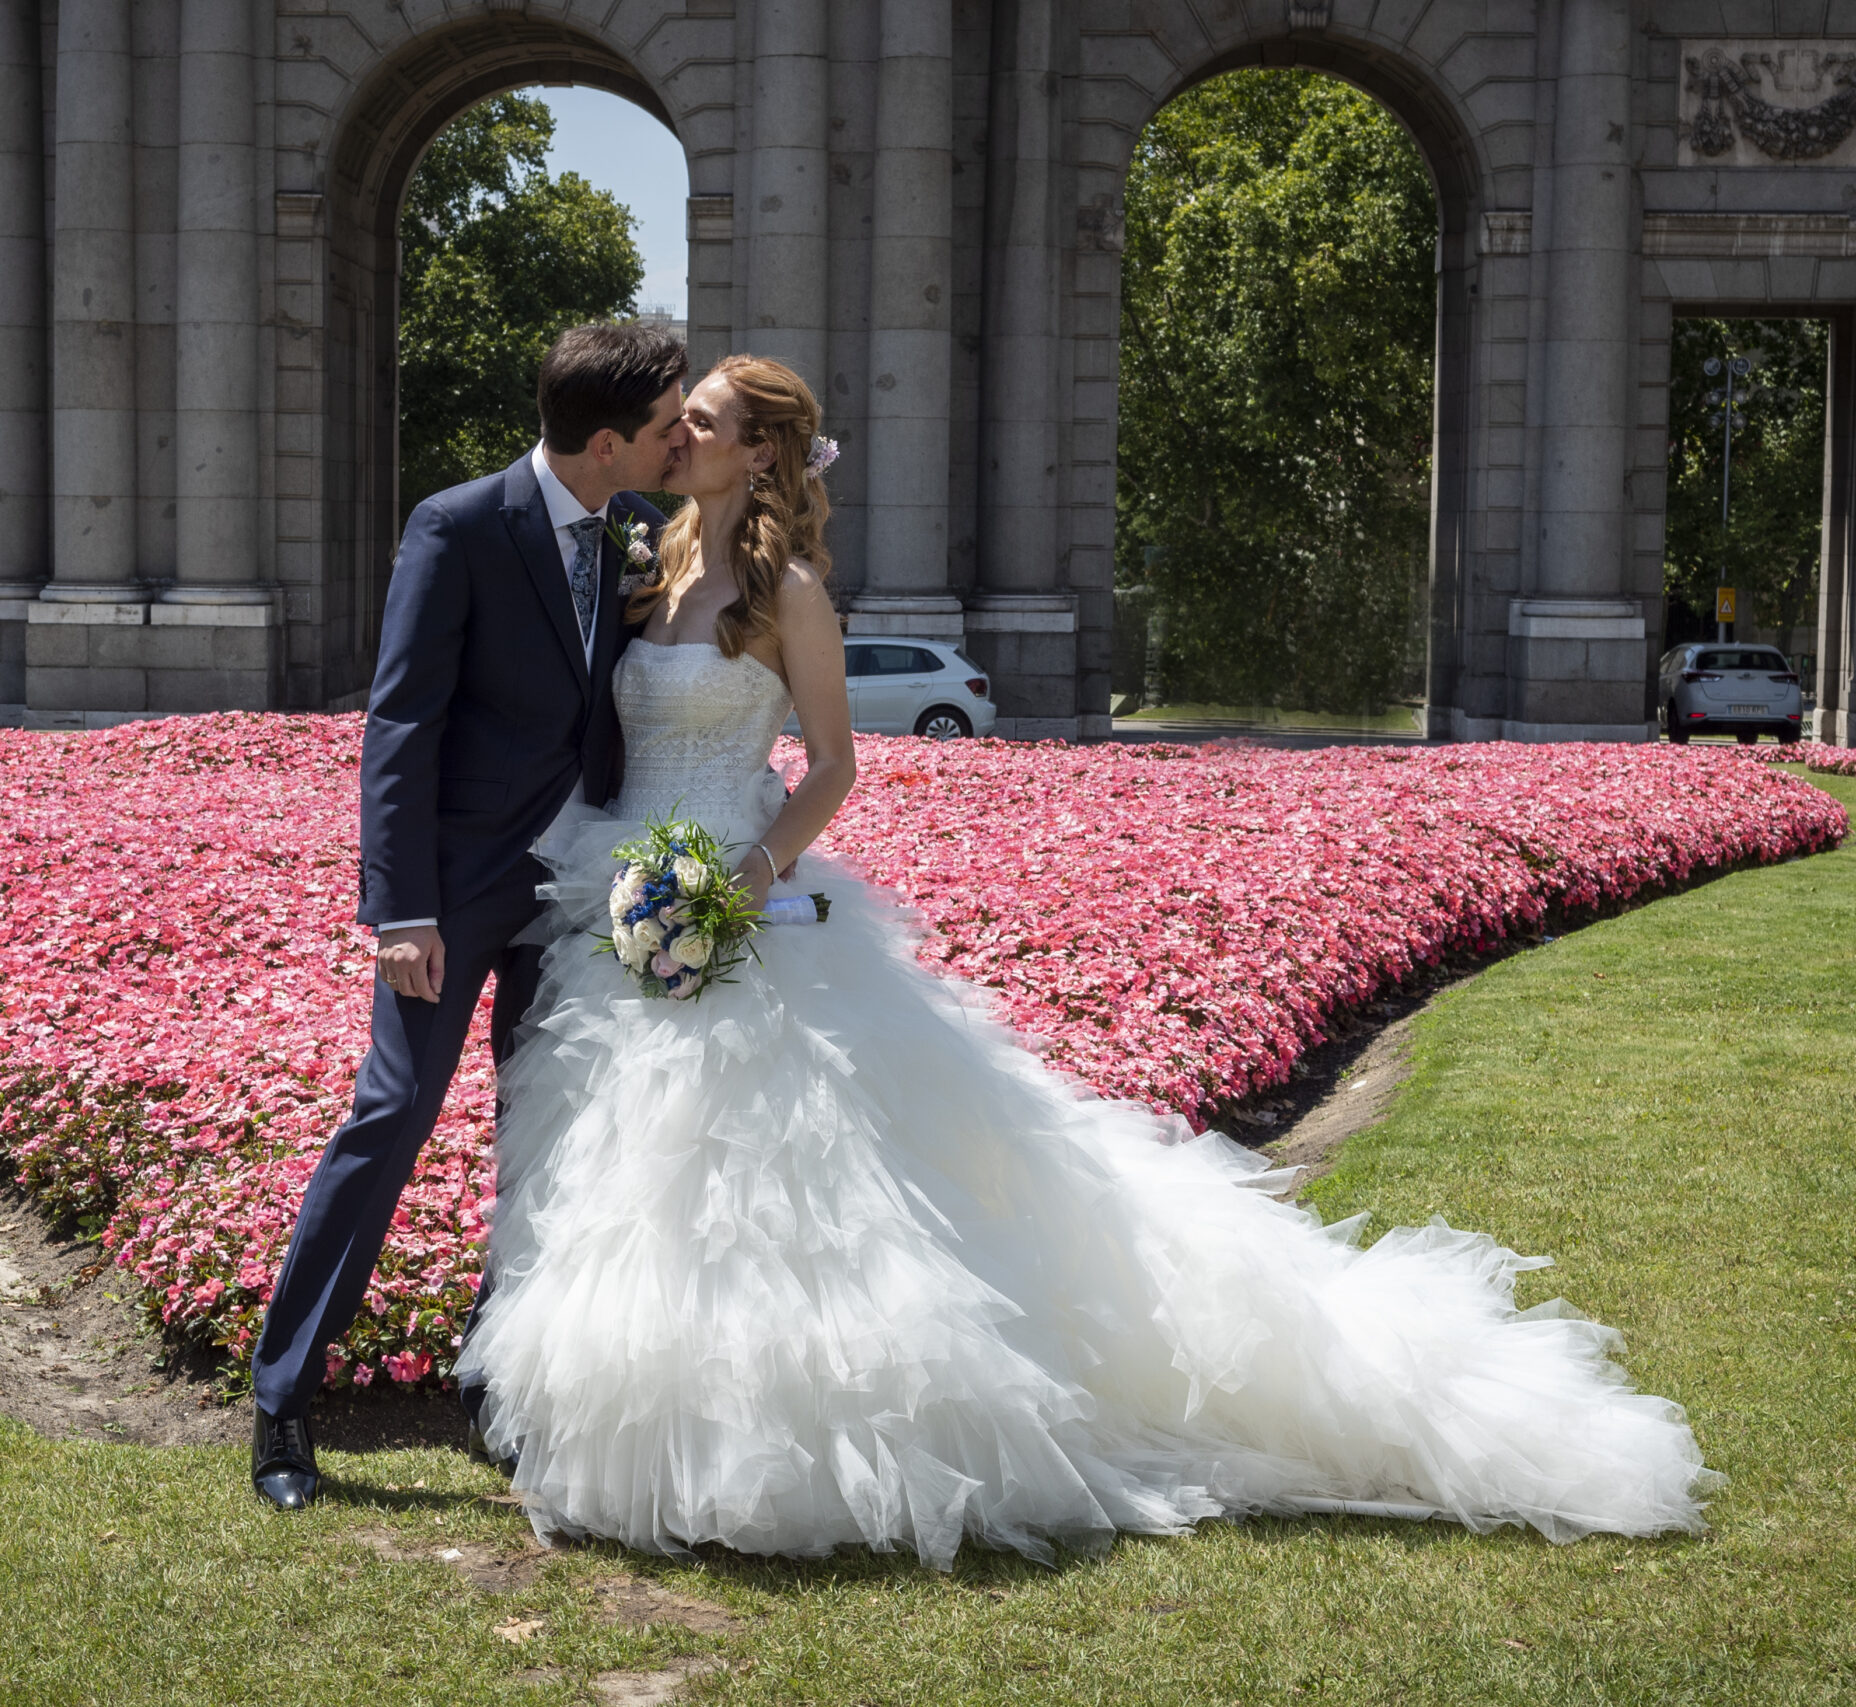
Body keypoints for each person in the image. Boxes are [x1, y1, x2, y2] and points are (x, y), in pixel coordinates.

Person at [451, 354, 1720, 1569]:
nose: (682, 433)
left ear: (767, 451)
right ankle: (658, 1428)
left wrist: (748, 880)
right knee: (641, 1178)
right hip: (622, 894)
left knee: (775, 1189)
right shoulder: (641, 570)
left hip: (745, 897)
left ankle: (785, 1451)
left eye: (708, 420)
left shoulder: (790, 596)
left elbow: (831, 765)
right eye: (678, 420)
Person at [246, 322, 691, 1509]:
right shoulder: (455, 525)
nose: (676, 441)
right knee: (389, 1118)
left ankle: (495, 1380)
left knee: (545, 1140)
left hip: (581, 895)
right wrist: (400, 910)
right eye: (661, 427)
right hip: (453, 896)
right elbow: (401, 725)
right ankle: (283, 1405)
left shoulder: (640, 530)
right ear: (605, 441)